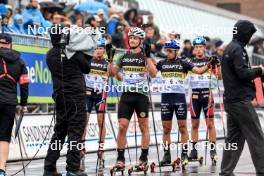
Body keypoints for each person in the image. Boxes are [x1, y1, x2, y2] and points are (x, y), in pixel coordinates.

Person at [151, 39, 211, 165]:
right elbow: (151, 73)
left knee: (182, 127)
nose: (168, 53)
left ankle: (184, 154)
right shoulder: (161, 63)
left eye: (170, 51)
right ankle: (166, 156)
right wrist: (146, 57)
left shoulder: (184, 62)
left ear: (177, 51)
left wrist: (209, 64)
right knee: (166, 129)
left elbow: (199, 71)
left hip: (179, 99)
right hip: (166, 99)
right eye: (166, 50)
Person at [43, 25, 93, 176]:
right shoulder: (73, 53)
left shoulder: (50, 54)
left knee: (59, 132)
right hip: (75, 97)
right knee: (75, 132)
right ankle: (72, 169)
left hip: (60, 97)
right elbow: (87, 68)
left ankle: (49, 167)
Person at [220, 20, 264, 176]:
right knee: (257, 137)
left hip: (231, 101)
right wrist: (259, 71)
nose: (250, 37)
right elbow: (243, 74)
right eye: (249, 34)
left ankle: (226, 172)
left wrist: (253, 70)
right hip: (240, 102)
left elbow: (239, 71)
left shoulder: (229, 48)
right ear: (244, 33)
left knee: (233, 140)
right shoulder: (238, 49)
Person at [108, 27, 157, 168]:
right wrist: (110, 59)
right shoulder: (123, 56)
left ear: (140, 41)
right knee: (122, 127)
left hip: (141, 96)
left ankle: (143, 158)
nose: (132, 40)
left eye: (135, 38)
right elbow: (111, 74)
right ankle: (120, 159)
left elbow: (153, 74)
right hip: (126, 96)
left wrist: (148, 57)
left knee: (143, 127)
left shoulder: (145, 56)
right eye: (131, 38)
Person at [80, 37, 122, 170]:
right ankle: (82, 147)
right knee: (84, 121)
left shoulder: (106, 62)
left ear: (104, 50)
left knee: (100, 121)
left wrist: (110, 61)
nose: (98, 51)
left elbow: (115, 75)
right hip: (87, 93)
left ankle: (101, 148)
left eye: (101, 49)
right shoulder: (88, 60)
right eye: (97, 48)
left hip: (100, 95)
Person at [188, 37, 221, 163]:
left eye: (201, 47)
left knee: (210, 124)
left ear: (204, 48)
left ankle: (213, 150)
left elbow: (219, 77)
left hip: (207, 95)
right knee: (195, 124)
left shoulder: (210, 60)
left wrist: (218, 64)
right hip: (195, 96)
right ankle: (194, 150)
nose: (198, 49)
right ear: (194, 49)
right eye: (196, 47)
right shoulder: (189, 61)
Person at [0, 33, 29, 176]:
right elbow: (24, 85)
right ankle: (1, 169)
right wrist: (23, 104)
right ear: (10, 45)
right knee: (4, 136)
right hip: (9, 103)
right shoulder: (20, 61)